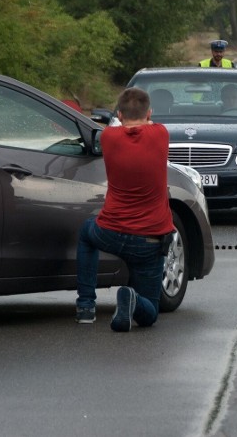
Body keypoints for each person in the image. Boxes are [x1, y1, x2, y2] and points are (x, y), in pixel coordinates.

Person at [75, 87, 175, 332]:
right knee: (150, 311)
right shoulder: (161, 134)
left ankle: (86, 306)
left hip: (111, 231)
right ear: (149, 112)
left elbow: (122, 127)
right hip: (150, 240)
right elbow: (148, 125)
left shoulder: (109, 137)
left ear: (119, 114)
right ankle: (133, 300)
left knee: (87, 233)